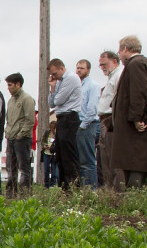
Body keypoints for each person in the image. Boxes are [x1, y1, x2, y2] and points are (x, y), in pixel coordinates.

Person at [109, 35, 147, 190]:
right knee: (135, 161)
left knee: (136, 161)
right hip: (139, 123)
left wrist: (136, 118)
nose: (119, 54)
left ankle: (135, 195)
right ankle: (138, 195)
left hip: (137, 126)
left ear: (126, 49)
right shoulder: (141, 64)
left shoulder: (136, 64)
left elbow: (138, 93)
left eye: (119, 50)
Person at [47, 58, 82, 190]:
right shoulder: (59, 82)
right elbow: (51, 103)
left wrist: (55, 93)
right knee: (60, 156)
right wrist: (52, 87)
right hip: (61, 119)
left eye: (55, 73)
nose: (53, 77)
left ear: (62, 68)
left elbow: (58, 100)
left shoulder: (71, 78)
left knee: (69, 156)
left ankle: (74, 186)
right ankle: (64, 187)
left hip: (70, 118)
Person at [4, 72, 35, 197]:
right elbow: (8, 119)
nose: (8, 88)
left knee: (23, 166)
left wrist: (20, 134)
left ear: (18, 84)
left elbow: (30, 120)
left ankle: (25, 193)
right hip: (11, 137)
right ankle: (11, 193)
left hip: (22, 138)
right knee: (11, 166)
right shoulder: (11, 100)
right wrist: (7, 132)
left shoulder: (27, 99)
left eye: (10, 85)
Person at [97, 50, 123, 188]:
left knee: (111, 157)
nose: (102, 67)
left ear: (114, 61)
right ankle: (109, 189)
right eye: (100, 65)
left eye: (104, 64)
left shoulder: (119, 75)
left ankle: (116, 190)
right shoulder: (111, 77)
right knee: (104, 158)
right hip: (104, 119)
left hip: (110, 119)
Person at [75, 59, 101, 188]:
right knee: (79, 160)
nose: (79, 70)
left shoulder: (93, 85)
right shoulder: (78, 85)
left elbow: (92, 109)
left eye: (82, 68)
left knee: (87, 160)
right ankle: (82, 188)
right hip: (78, 124)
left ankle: (91, 190)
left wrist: (82, 126)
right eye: (78, 68)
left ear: (88, 70)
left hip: (88, 124)